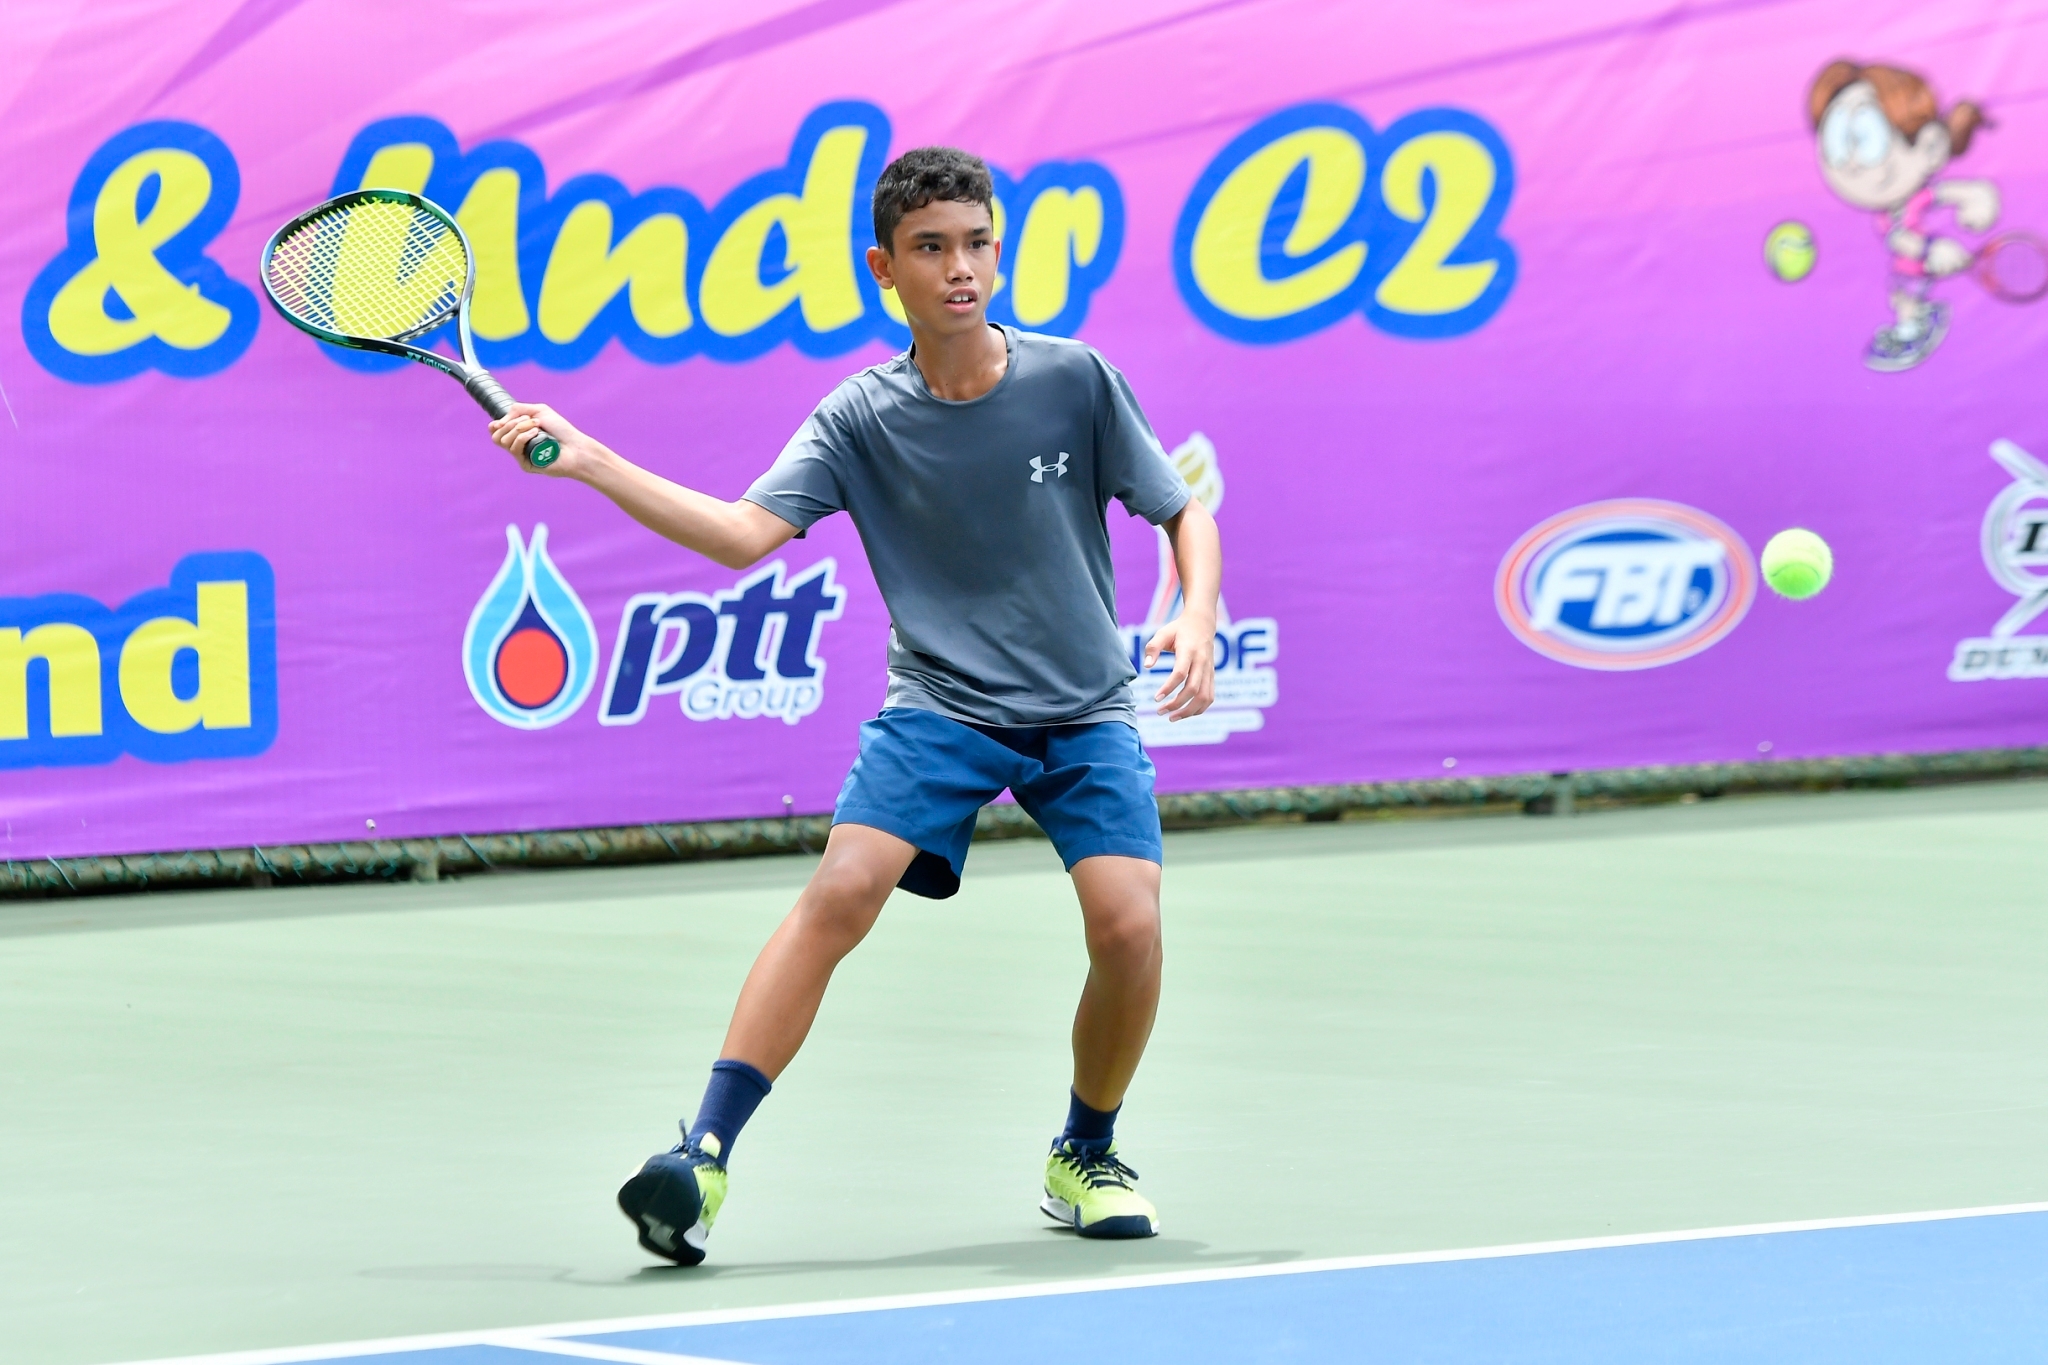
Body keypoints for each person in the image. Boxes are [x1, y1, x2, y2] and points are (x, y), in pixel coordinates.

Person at [488, 146, 1221, 1264]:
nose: (960, 268)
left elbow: (1181, 511)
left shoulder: (1073, 379)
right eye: (931, 248)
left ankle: (1086, 1150)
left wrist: (1195, 612)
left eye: (976, 243)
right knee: (840, 888)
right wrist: (589, 459)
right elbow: (740, 536)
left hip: (1081, 710)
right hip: (942, 705)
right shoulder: (858, 419)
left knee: (1129, 924)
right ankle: (702, 1155)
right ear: (885, 268)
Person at [1808, 60, 1997, 372]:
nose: (1852, 165)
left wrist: (1976, 197)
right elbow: (1898, 237)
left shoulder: (1914, 200)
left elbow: (1936, 202)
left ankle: (1914, 328)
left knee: (1907, 300)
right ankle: (1911, 325)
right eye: (1837, 145)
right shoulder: (1888, 213)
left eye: (1868, 140)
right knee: (1900, 299)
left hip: (1916, 271)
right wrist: (1932, 249)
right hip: (1907, 269)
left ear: (1930, 146)